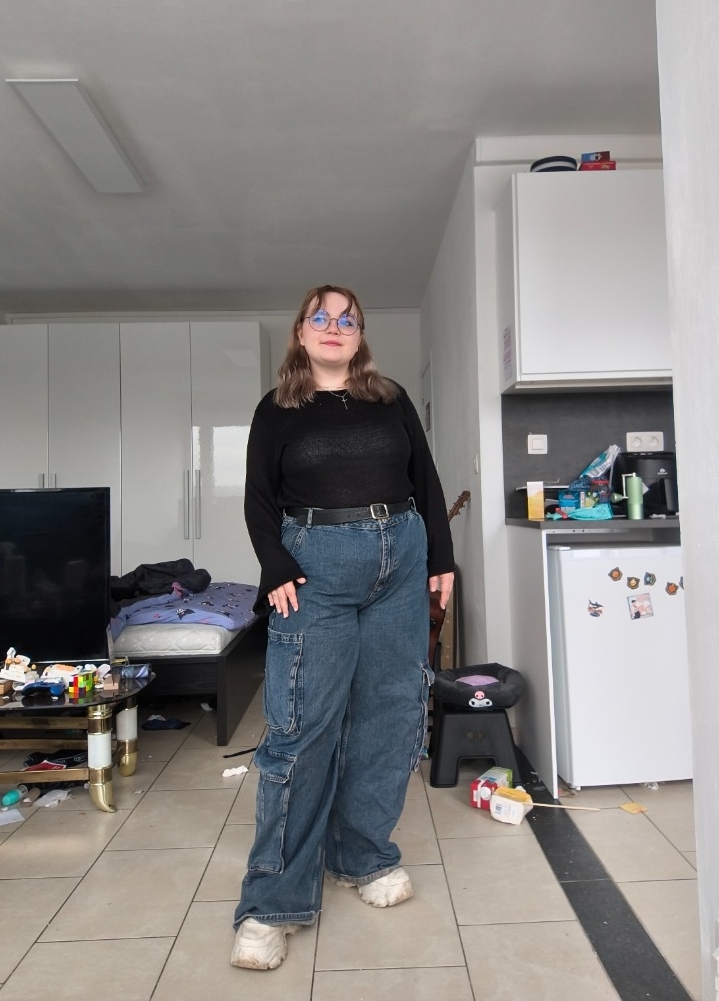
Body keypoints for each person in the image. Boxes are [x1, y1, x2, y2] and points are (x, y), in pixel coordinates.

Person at [231, 285, 455, 971]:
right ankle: (272, 902)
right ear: (301, 332)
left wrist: (441, 558)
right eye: (321, 318)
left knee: (390, 715)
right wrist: (275, 566)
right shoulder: (277, 409)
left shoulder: (390, 398)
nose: (334, 327)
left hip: (401, 557)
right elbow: (258, 499)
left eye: (347, 319)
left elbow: (425, 479)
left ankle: (362, 856)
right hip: (314, 567)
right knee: (302, 728)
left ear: (359, 335)